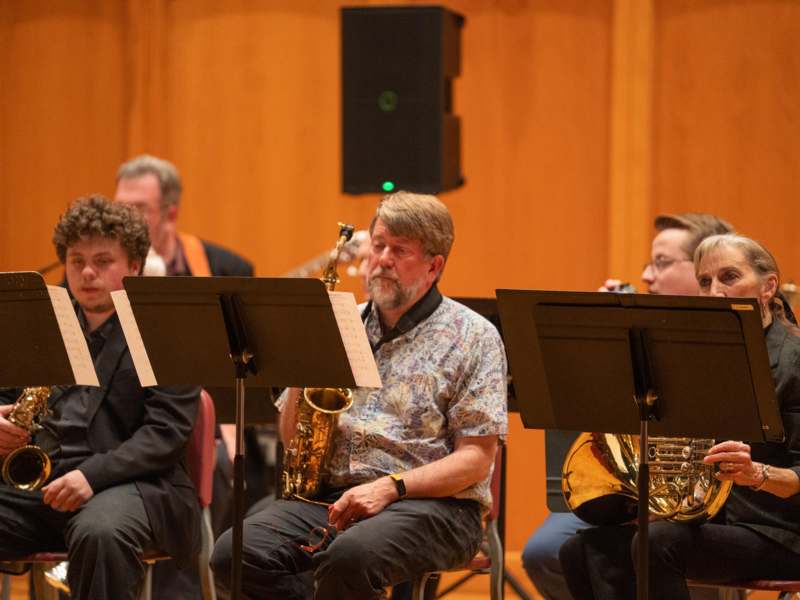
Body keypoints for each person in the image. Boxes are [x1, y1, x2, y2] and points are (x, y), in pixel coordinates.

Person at [210, 191, 508, 599]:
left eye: (400, 251)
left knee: (349, 558)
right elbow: (291, 436)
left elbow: (476, 459)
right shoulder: (339, 322)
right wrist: (302, 368)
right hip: (333, 499)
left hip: (438, 508)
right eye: (379, 244)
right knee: (234, 554)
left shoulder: (475, 336)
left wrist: (391, 487)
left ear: (434, 266)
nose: (383, 259)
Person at [559, 233, 800, 599]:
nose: (715, 291)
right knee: (579, 551)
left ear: (768, 288)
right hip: (719, 522)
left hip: (782, 532)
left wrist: (757, 474)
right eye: (705, 282)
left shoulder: (794, 360)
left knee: (659, 543)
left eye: (729, 278)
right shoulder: (698, 357)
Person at [521, 213, 734, 600]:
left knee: (657, 549)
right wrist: (597, 336)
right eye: (648, 265)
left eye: (663, 263)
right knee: (544, 551)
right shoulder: (632, 330)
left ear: (706, 269)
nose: (649, 277)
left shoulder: (734, 340)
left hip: (698, 501)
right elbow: (582, 419)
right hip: (625, 493)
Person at [0, 196, 201, 600]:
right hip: (42, 484)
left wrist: (92, 476)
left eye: (103, 260)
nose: (88, 272)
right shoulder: (40, 321)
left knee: (101, 532)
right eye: (76, 260)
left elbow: (164, 434)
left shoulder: (166, 331)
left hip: (132, 486)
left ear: (134, 265)